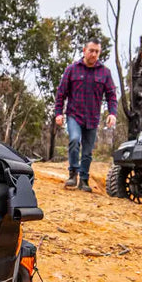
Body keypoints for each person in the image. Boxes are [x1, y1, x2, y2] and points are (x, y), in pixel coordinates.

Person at [54, 38, 117, 192]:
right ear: (84, 51)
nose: (94, 54)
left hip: (93, 117)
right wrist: (58, 113)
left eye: (97, 51)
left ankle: (84, 180)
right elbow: (61, 93)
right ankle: (72, 174)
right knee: (75, 140)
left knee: (88, 151)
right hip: (74, 115)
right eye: (91, 50)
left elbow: (111, 95)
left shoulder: (105, 72)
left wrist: (112, 113)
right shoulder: (72, 69)